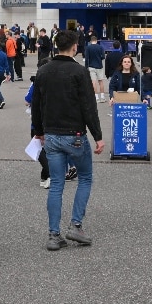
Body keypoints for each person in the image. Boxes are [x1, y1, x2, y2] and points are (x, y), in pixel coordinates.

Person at [31, 29, 104, 251]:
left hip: (51, 134)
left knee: (57, 184)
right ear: (74, 47)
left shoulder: (43, 71)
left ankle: (54, 235)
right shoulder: (79, 72)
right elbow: (88, 107)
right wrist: (98, 136)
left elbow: (36, 104)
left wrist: (39, 130)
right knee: (85, 178)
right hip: (75, 134)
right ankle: (76, 225)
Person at [83, 36, 105, 102]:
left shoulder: (88, 48)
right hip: (99, 66)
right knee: (100, 81)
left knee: (93, 82)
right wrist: (99, 59)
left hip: (91, 66)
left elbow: (87, 58)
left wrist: (86, 66)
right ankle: (102, 97)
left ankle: (96, 97)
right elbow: (103, 56)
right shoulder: (100, 47)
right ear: (96, 40)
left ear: (90, 41)